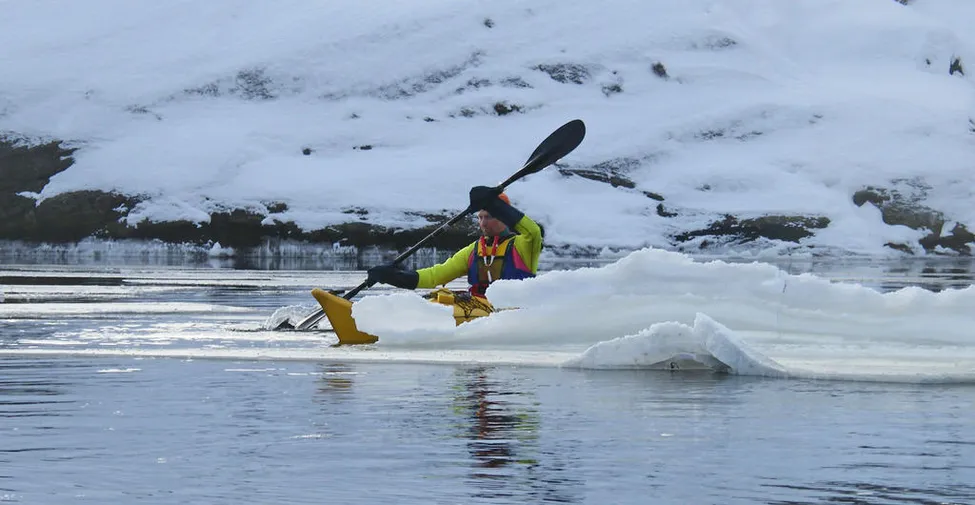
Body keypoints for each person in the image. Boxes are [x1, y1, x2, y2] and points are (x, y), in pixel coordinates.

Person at [366, 186, 542, 298]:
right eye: (480, 217)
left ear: (504, 217)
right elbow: (436, 276)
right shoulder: (473, 251)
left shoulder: (523, 246)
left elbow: (533, 231)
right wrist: (395, 277)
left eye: (488, 216)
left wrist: (495, 204)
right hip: (477, 311)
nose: (482, 223)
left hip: (513, 315)